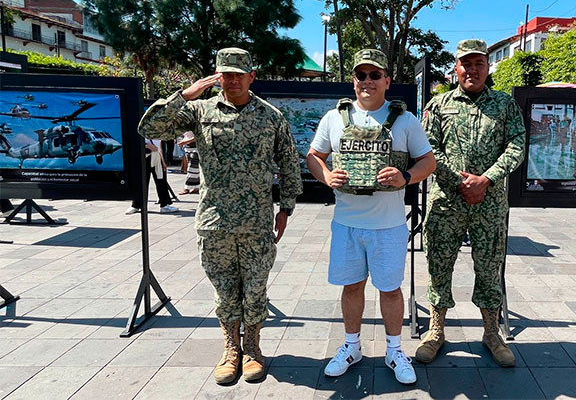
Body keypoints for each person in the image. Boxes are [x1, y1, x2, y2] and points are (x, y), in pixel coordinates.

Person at [138, 47, 302, 384]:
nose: (232, 80)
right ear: (217, 76)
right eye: (225, 74)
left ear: (251, 76)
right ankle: (231, 349)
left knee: (255, 289)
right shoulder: (199, 112)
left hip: (257, 223)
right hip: (215, 222)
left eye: (239, 74)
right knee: (225, 291)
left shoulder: (270, 116)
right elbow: (148, 127)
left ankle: (253, 348)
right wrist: (185, 94)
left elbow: (288, 163)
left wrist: (285, 208)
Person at [307, 49, 436, 385]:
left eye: (374, 75)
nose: (367, 81)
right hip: (348, 223)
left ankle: (395, 350)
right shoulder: (334, 119)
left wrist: (406, 177)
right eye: (360, 75)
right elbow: (314, 156)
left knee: (390, 290)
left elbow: (428, 162)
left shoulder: (405, 121)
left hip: (389, 225)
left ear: (387, 81)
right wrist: (325, 176)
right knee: (352, 287)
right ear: (353, 81)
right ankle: (352, 346)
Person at [417, 39, 524, 368]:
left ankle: (491, 332)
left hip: (489, 205)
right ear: (456, 68)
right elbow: (428, 149)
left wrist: (486, 179)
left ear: (488, 67)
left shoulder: (505, 105)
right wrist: (461, 182)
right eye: (466, 64)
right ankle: (436, 330)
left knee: (490, 269)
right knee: (439, 267)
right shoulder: (438, 105)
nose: (472, 69)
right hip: (447, 204)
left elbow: (517, 144)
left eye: (479, 63)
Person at [125, 138, 178, 214]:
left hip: (157, 156)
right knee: (141, 182)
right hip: (145, 157)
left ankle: (164, 204)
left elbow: (159, 146)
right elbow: (134, 141)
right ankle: (136, 205)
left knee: (161, 181)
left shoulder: (158, 131)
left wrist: (163, 161)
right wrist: (147, 145)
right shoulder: (142, 129)